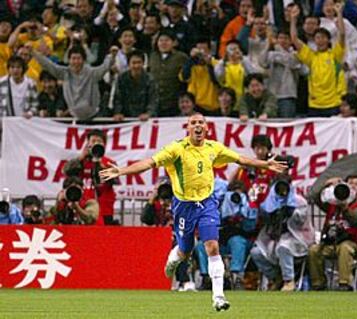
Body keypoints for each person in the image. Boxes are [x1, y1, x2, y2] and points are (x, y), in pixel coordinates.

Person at [100, 113, 287, 311]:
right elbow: (148, 163)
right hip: (183, 207)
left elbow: (241, 159)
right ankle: (173, 260)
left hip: (207, 203)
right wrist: (122, 171)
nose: (197, 126)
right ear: (187, 128)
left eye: (201, 123)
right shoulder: (176, 149)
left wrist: (265, 164)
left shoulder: (214, 148)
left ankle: (218, 297)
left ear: (206, 128)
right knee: (185, 250)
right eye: (193, 123)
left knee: (212, 246)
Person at [308, 175, 357, 291]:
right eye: (350, 183)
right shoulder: (332, 203)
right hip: (331, 243)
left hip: (351, 243)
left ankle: (344, 284)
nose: (353, 186)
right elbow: (316, 198)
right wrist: (327, 184)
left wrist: (345, 208)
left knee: (345, 248)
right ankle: (318, 284)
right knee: (314, 250)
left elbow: (355, 220)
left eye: (356, 184)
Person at [32, 44, 117, 120]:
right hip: (73, 117)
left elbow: (104, 67)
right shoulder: (64, 73)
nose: (76, 62)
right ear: (69, 60)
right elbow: (49, 65)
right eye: (73, 58)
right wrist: (33, 53)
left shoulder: (92, 73)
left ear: (84, 60)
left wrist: (112, 56)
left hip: (94, 116)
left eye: (79, 58)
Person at [290, 3, 347, 117]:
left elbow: (342, 34)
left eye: (323, 37)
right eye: (317, 38)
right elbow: (294, 39)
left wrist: (339, 13)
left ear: (328, 40)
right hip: (314, 105)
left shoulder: (335, 55)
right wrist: (293, 20)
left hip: (333, 104)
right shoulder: (311, 57)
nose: (320, 40)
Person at [64, 129, 118, 225]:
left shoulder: (109, 163)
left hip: (104, 208)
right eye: (93, 141)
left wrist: (100, 164)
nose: (95, 144)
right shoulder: (81, 161)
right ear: (87, 144)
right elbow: (66, 172)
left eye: (99, 142)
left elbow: (114, 180)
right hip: (81, 205)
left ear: (104, 145)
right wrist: (81, 157)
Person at [113, 50, 158, 121]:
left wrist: (149, 113)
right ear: (129, 64)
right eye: (133, 63)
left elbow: (153, 99)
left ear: (143, 63)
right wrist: (118, 113)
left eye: (139, 62)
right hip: (125, 117)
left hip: (144, 118)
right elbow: (118, 98)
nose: (136, 66)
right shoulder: (122, 78)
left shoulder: (150, 79)